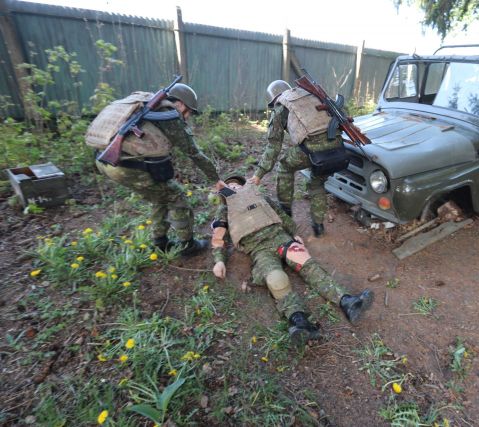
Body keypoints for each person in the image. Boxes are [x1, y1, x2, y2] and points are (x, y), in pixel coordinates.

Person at [210, 176, 374, 346]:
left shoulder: (260, 198)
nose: (234, 187)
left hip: (280, 237)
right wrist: (219, 260)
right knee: (276, 280)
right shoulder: (225, 210)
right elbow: (218, 237)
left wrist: (294, 233)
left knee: (307, 264)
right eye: (230, 186)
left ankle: (347, 302)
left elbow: (280, 214)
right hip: (259, 249)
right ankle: (300, 322)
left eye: (237, 185)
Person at [87, 83, 224, 256]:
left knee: (160, 195)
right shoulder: (168, 114)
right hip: (124, 166)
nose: (188, 116)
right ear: (181, 105)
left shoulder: (146, 107)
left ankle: (160, 242)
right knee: (176, 196)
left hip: (104, 161)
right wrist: (215, 179)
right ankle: (188, 245)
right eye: (189, 111)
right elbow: (193, 152)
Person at [248, 80, 346, 237]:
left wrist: (259, 174)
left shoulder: (280, 107)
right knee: (317, 182)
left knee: (284, 167)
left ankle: (286, 211)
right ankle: (318, 227)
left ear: (273, 99)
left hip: (311, 151)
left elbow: (273, 147)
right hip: (336, 148)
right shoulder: (312, 95)